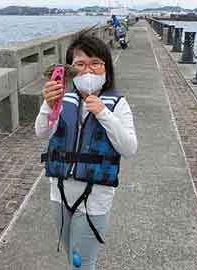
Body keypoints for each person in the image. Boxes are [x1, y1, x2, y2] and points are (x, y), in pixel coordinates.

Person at [35, 34, 137, 270]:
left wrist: (103, 113)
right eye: (79, 64)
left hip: (94, 200)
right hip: (58, 194)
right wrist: (48, 106)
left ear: (106, 69)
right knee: (72, 255)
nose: (87, 70)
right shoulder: (61, 99)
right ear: (70, 70)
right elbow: (41, 133)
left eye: (95, 63)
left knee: (83, 263)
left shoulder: (118, 104)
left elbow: (130, 148)